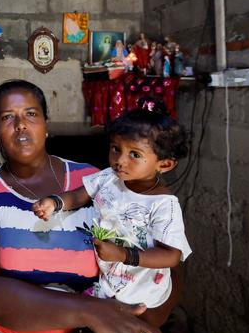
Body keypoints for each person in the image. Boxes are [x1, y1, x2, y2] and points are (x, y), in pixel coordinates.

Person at [0, 80, 179, 333]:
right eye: (7, 117)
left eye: (31, 114)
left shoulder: (98, 183)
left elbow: (158, 268)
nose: (21, 124)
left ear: (46, 123)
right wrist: (93, 312)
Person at [35, 96, 191, 311]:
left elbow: (171, 255)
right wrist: (55, 202)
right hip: (109, 276)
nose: (120, 160)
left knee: (120, 325)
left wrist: (123, 255)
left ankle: (123, 316)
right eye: (116, 149)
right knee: (94, 309)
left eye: (134, 154)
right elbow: (79, 195)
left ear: (164, 164)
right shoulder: (109, 178)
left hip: (142, 286)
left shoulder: (163, 204)